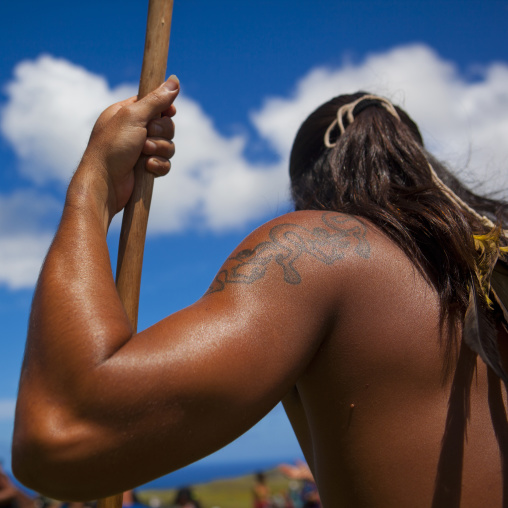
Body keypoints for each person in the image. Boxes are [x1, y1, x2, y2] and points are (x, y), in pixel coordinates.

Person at [11, 76, 508, 507]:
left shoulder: (318, 249)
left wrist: (93, 184)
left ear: (308, 186)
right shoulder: (493, 262)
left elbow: (63, 434)